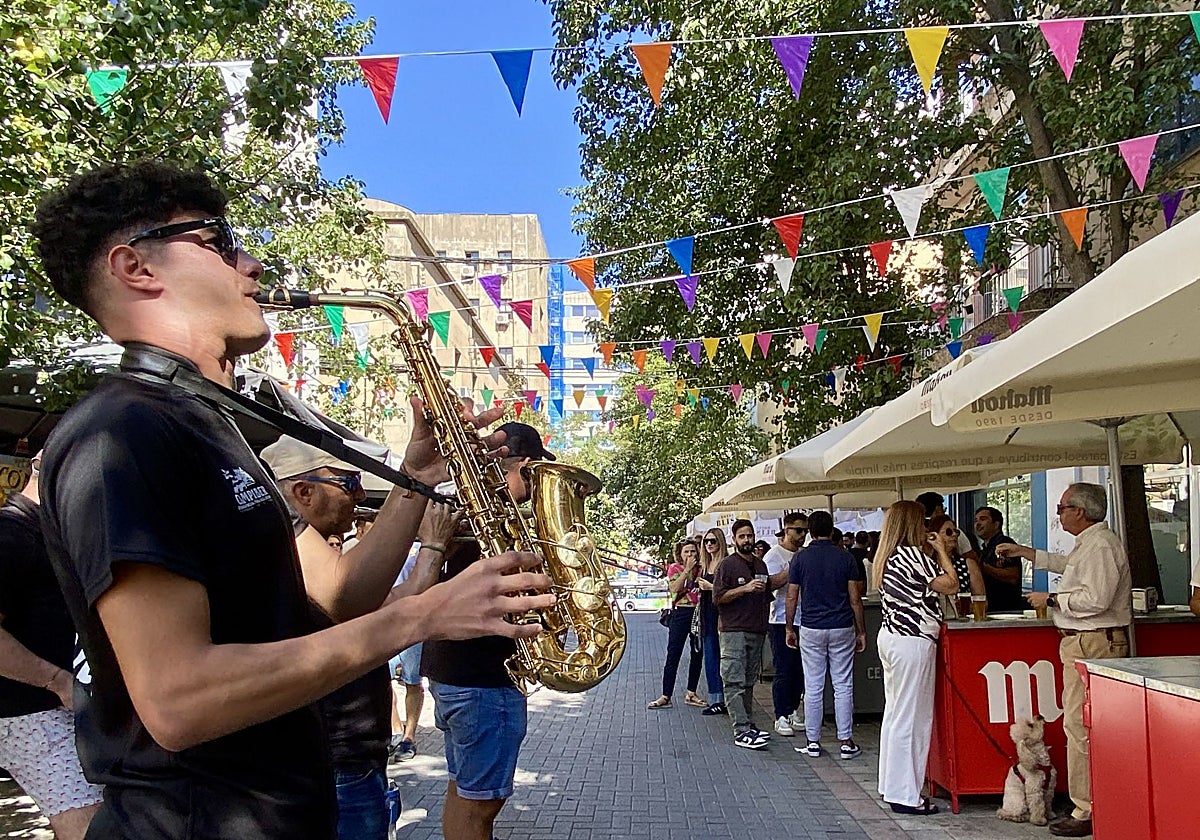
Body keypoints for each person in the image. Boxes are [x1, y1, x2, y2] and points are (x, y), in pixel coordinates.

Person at [30, 160, 553, 840]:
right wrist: (423, 615)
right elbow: (177, 698)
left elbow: (333, 606)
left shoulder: (205, 428)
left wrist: (409, 474)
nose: (250, 263)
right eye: (219, 242)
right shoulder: (123, 432)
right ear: (136, 268)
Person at [261, 436, 460, 839]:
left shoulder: (316, 551)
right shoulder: (293, 553)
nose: (359, 497)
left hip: (353, 759)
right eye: (350, 484)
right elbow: (368, 604)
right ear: (303, 493)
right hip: (336, 762)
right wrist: (432, 544)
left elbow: (384, 602)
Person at [419, 422, 553, 840]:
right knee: (481, 806)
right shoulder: (494, 524)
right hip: (482, 683)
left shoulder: (471, 512)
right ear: (525, 466)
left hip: (454, 676)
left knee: (464, 792)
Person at [996, 483, 1131, 838]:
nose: (1058, 514)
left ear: (1080, 511)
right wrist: (1028, 553)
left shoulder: (1100, 545)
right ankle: (1090, 802)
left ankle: (1087, 807)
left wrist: (1053, 599)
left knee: (1081, 726)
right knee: (1082, 726)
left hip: (1092, 641)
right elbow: (1070, 565)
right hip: (1086, 641)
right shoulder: (1090, 544)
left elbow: (1096, 598)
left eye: (1061, 508)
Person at [0, 477, 103, 840]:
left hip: (61, 712)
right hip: (31, 717)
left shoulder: (44, 535)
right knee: (93, 830)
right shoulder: (8, 535)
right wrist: (57, 681)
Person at [873, 500, 959, 816]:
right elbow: (951, 585)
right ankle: (907, 794)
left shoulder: (888, 557)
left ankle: (892, 785)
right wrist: (942, 552)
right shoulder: (913, 556)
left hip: (893, 637)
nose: (927, 528)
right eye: (922, 522)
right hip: (914, 640)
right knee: (914, 720)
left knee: (896, 716)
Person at [784, 511, 866, 760]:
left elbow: (791, 596)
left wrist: (789, 627)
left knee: (813, 685)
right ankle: (846, 741)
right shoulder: (846, 557)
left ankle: (813, 741)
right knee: (842, 684)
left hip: (811, 627)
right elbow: (855, 599)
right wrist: (861, 630)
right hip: (842, 626)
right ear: (832, 530)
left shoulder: (800, 559)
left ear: (809, 531)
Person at [714, 519, 782, 750]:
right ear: (734, 540)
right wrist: (744, 588)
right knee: (733, 679)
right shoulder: (727, 565)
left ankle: (749, 724)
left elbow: (767, 591)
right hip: (733, 629)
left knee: (749, 680)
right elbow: (718, 597)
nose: (747, 540)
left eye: (749, 536)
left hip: (757, 628)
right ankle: (740, 729)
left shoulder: (760, 565)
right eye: (742, 536)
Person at [763, 512, 807, 736]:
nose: (802, 535)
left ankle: (792, 710)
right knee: (784, 668)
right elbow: (770, 584)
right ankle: (780, 714)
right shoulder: (774, 555)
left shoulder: (804, 554)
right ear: (786, 530)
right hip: (780, 619)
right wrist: (791, 571)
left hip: (804, 618)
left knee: (799, 669)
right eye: (798, 531)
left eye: (805, 531)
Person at [647, 540, 705, 709]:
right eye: (686, 552)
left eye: (693, 551)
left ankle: (691, 693)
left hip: (697, 612)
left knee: (697, 653)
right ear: (680, 554)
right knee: (673, 654)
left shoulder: (702, 569)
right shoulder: (675, 568)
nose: (690, 555)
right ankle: (666, 695)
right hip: (681, 612)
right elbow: (674, 588)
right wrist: (687, 570)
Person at [695, 527, 729, 716]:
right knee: (710, 656)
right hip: (707, 614)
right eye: (706, 541)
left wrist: (710, 586)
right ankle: (715, 698)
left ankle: (724, 698)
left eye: (713, 541)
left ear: (720, 542)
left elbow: (728, 587)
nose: (709, 544)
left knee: (724, 657)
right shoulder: (705, 564)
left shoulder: (725, 563)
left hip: (722, 614)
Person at [974, 506, 1021, 612]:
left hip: (1005, 610)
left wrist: (982, 567)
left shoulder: (1004, 545)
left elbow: (1013, 576)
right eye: (976, 520)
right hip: (990, 609)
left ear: (996, 524)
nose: (978, 524)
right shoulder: (985, 548)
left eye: (983, 519)